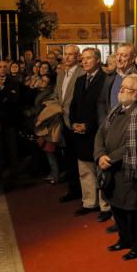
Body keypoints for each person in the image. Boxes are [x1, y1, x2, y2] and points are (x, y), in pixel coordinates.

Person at [95, 74, 137, 259]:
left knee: (134, 211)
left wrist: (109, 158)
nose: (121, 90)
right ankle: (124, 239)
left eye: (126, 88)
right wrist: (99, 155)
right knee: (117, 207)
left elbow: (133, 144)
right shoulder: (116, 109)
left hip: (128, 170)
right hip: (110, 167)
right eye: (121, 87)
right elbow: (100, 134)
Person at [70, 48, 108, 220]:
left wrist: (89, 125)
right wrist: (73, 123)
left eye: (88, 58)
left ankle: (105, 206)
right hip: (80, 133)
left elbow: (103, 109)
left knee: (100, 170)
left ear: (98, 60)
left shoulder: (105, 80)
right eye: (82, 59)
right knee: (85, 170)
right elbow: (74, 105)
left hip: (97, 132)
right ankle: (89, 202)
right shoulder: (79, 80)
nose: (84, 62)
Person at [55, 44, 85, 202]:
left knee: (80, 159)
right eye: (65, 54)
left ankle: (83, 192)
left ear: (77, 57)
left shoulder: (82, 73)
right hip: (62, 121)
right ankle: (73, 190)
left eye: (70, 54)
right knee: (68, 159)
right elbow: (57, 95)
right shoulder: (61, 73)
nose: (66, 57)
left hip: (76, 121)